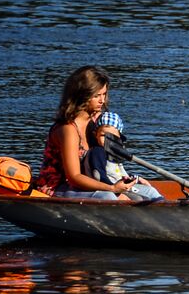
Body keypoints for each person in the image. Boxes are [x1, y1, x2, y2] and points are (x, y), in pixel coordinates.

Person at [34, 66, 136, 200]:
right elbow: (74, 177)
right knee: (108, 197)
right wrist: (112, 188)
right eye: (96, 96)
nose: (102, 100)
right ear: (81, 96)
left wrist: (132, 181)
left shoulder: (97, 122)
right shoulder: (68, 129)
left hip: (90, 184)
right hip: (57, 188)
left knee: (148, 192)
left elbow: (113, 162)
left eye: (104, 94)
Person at [85, 111, 164, 202]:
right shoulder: (98, 151)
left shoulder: (113, 154)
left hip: (122, 186)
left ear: (118, 138)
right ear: (96, 135)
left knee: (151, 191)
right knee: (142, 197)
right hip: (110, 189)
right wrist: (115, 189)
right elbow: (98, 176)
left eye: (111, 137)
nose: (106, 140)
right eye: (103, 135)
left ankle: (163, 206)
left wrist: (136, 179)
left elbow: (118, 174)